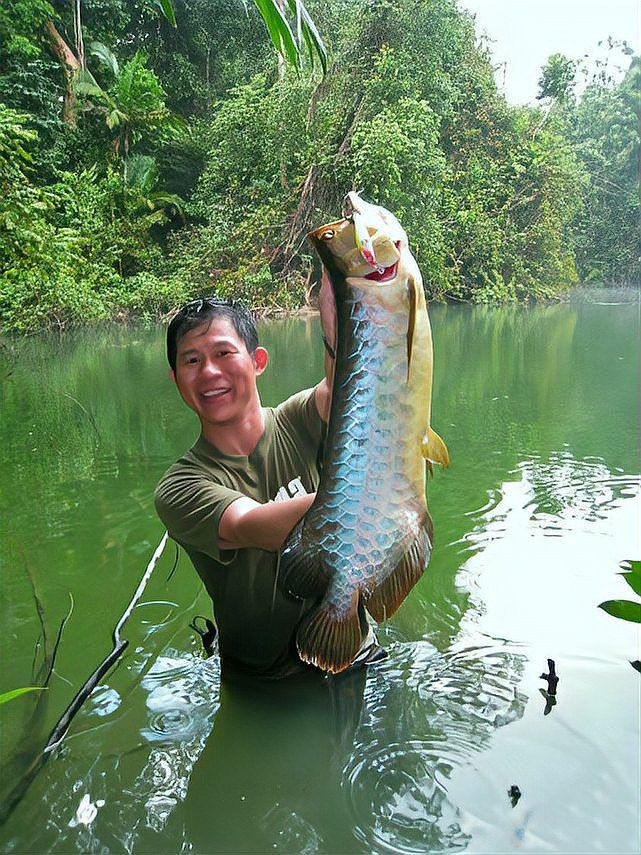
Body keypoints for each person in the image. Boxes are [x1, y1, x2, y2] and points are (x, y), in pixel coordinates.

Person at [154, 290, 384, 680]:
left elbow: (354, 385)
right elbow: (253, 525)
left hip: (357, 653)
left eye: (223, 353)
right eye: (192, 360)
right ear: (176, 380)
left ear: (257, 361)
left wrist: (341, 293)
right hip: (267, 684)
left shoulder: (297, 419)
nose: (209, 372)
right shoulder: (179, 487)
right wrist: (371, 492)